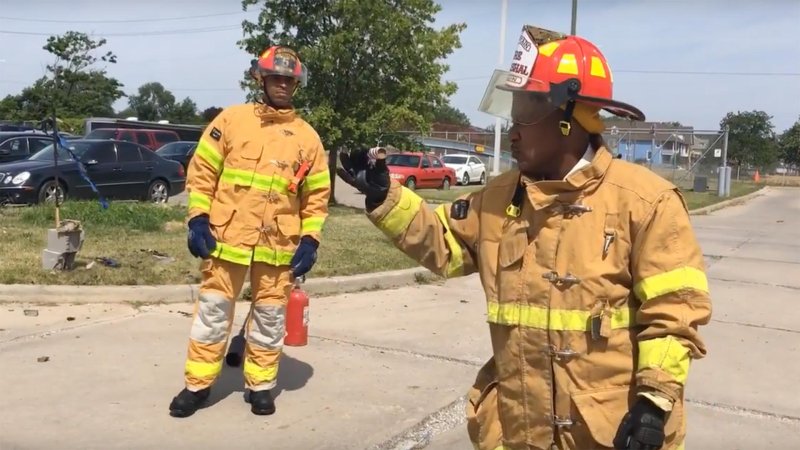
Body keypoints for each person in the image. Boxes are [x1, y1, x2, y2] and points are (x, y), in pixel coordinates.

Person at [338, 25, 711, 450]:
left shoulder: (645, 202)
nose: (513, 130)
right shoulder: (499, 197)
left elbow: (675, 314)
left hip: (610, 434)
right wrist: (386, 197)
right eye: (511, 112)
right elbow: (445, 245)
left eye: (526, 114)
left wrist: (652, 405)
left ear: (571, 120)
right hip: (520, 431)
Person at [169, 45, 331, 418]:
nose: (283, 85)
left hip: (278, 246)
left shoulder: (308, 138)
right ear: (260, 78)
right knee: (213, 313)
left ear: (296, 85)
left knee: (270, 318)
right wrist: (197, 218)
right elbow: (203, 172)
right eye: (276, 77)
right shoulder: (231, 120)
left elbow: (317, 194)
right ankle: (197, 385)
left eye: (290, 80)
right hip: (225, 240)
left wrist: (310, 238)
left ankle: (260, 385)